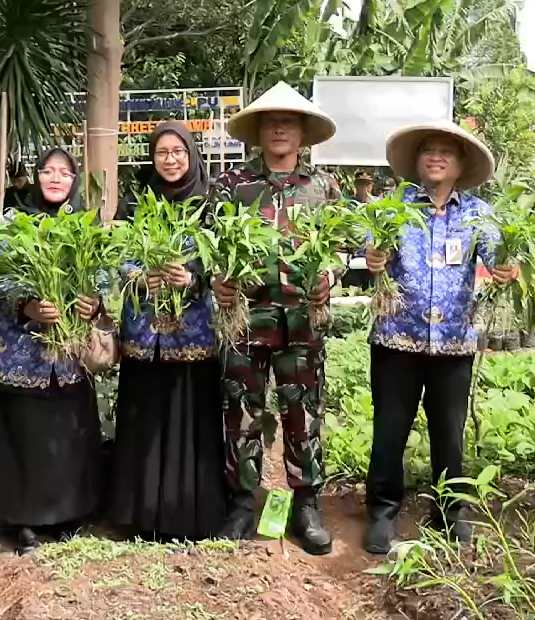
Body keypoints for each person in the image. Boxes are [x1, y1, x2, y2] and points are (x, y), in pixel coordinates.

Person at [361, 121, 517, 554]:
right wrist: (373, 257)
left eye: (446, 151)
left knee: (449, 431)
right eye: (428, 149)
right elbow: (371, 249)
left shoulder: (477, 214)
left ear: (461, 163)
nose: (436, 156)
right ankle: (382, 510)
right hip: (398, 338)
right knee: (390, 429)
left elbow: (498, 256)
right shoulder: (392, 206)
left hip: (453, 341)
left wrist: (506, 267)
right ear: (416, 160)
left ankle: (451, 509)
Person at [209, 81, 343, 555]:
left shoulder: (325, 188)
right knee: (241, 415)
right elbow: (208, 249)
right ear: (259, 131)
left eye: (288, 120)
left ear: (304, 132)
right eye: (271, 120)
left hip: (302, 326)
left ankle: (306, 504)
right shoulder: (231, 186)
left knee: (303, 414)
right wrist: (217, 281)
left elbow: (340, 249)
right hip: (246, 323)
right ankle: (242, 502)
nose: (280, 127)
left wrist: (330, 275)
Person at [0, 147, 109, 554]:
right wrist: (27, 306)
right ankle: (23, 521)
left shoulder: (84, 226)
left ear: (74, 182)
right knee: (25, 433)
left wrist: (93, 303)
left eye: (65, 173)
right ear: (37, 177)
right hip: (22, 350)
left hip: (68, 353)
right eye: (48, 172)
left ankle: (69, 513)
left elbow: (102, 275)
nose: (56, 179)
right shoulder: (14, 221)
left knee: (66, 432)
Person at [109, 121, 226, 540]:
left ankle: (188, 516)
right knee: (146, 415)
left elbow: (225, 259)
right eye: (162, 152)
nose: (171, 159)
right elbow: (116, 255)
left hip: (193, 334)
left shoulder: (211, 202)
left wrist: (192, 279)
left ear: (191, 154)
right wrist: (138, 276)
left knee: (189, 416)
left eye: (178, 151)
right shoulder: (137, 201)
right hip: (145, 335)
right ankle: (141, 515)